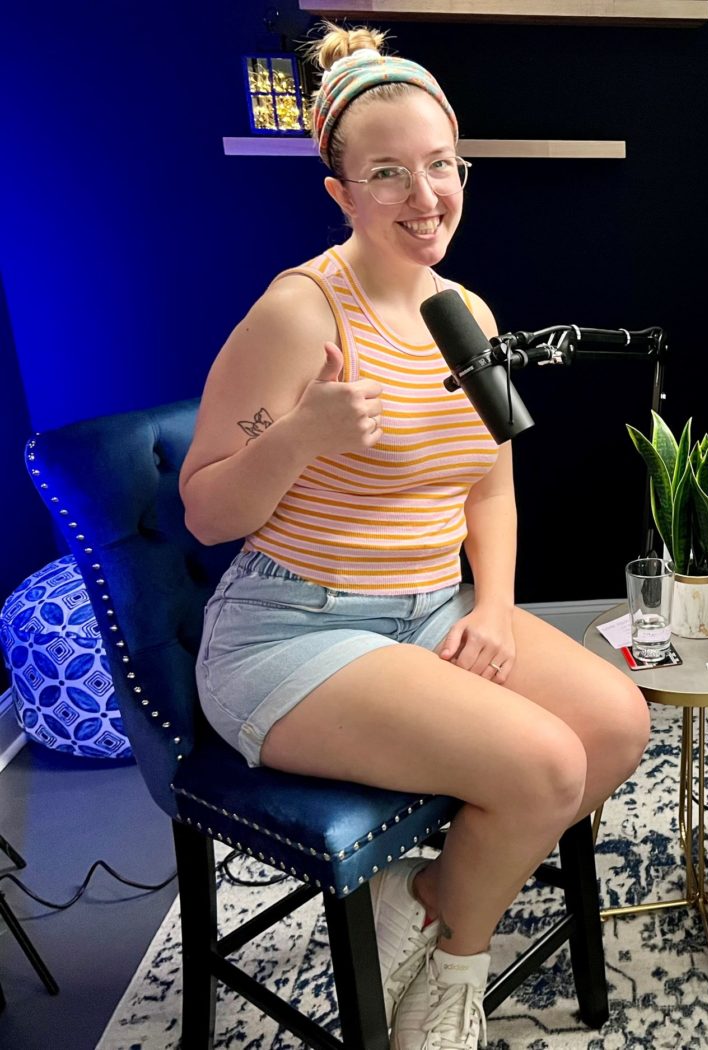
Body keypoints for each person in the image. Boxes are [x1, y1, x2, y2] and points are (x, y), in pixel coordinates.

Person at [180, 24, 650, 1050]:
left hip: (430, 607)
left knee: (615, 725)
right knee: (542, 766)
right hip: (293, 630)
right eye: (387, 173)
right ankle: (454, 977)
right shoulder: (299, 314)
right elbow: (206, 510)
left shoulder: (465, 311)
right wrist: (298, 437)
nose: (424, 195)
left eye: (440, 165)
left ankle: (423, 898)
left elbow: (491, 487)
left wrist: (494, 610)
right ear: (340, 192)